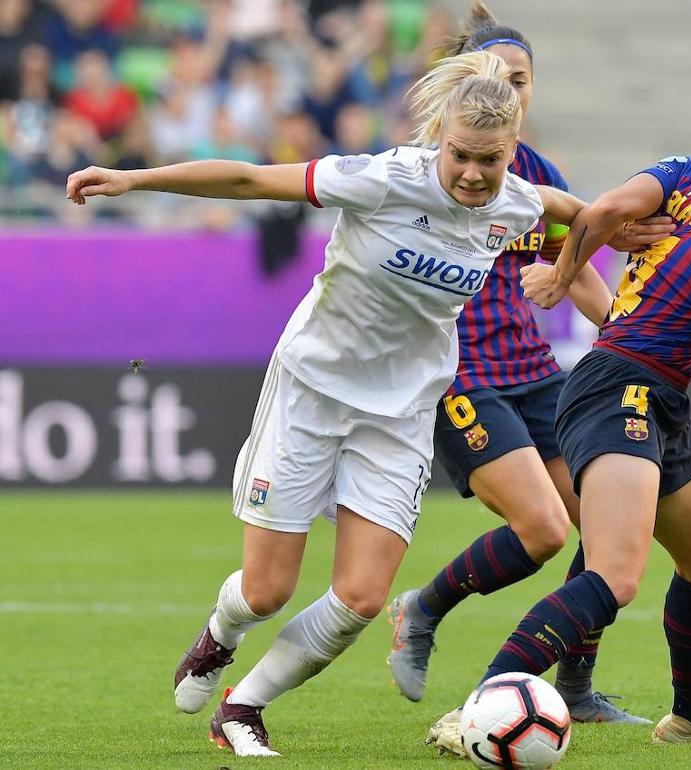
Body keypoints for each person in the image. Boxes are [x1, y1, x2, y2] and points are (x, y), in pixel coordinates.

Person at [66, 50, 626, 758]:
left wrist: (590, 256)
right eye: (460, 156)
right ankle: (221, 633)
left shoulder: (518, 203)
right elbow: (248, 178)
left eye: (490, 159)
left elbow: (585, 217)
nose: (473, 174)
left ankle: (242, 708)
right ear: (439, 140)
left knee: (361, 599)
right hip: (312, 392)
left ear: (513, 150)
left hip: (399, 415)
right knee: (267, 590)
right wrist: (133, 178)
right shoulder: (383, 178)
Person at [426, 55, 691, 754]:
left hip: (644, 392)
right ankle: (478, 705)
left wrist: (566, 273)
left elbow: (599, 212)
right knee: (616, 574)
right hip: (621, 388)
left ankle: (690, 719)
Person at [386, 1, 669, 725]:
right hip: (464, 375)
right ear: (465, 85)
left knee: (601, 535)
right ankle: (422, 609)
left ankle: (575, 686)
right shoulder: (430, 172)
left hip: (536, 369)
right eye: (499, 76)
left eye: (523, 79)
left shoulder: (535, 171)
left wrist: (623, 332)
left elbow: (569, 264)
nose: (512, 89)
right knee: (544, 531)